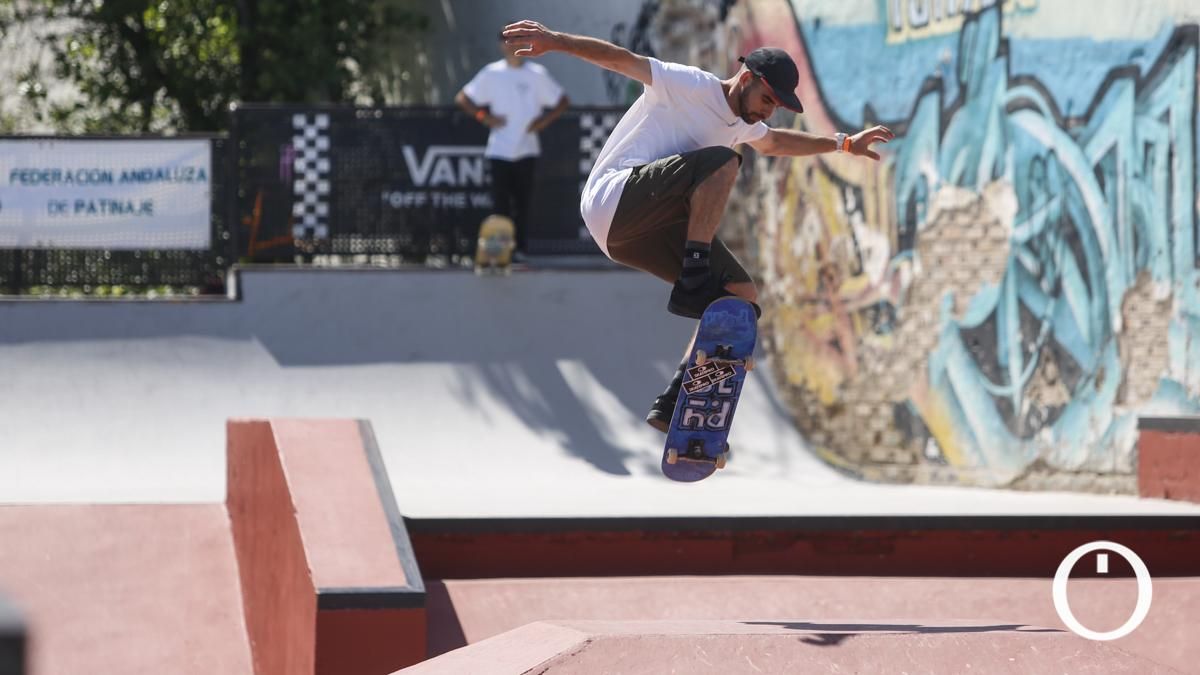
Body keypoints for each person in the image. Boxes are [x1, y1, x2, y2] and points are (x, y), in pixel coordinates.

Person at [501, 19, 893, 431]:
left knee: (740, 296)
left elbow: (776, 142)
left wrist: (843, 143)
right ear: (746, 78)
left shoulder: (745, 124)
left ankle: (675, 400)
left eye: (775, 106)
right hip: (613, 197)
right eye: (766, 98)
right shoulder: (688, 84)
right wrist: (557, 40)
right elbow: (621, 60)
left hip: (632, 236)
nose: (767, 110)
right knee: (723, 162)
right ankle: (693, 273)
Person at [455, 30, 570, 259]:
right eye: (509, 41)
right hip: (499, 150)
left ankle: (520, 249)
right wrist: (483, 117)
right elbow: (463, 98)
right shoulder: (492, 73)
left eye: (518, 40)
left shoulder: (536, 74)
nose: (513, 46)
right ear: (501, 45)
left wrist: (543, 121)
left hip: (527, 150)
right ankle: (499, 251)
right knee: (500, 204)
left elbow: (562, 100)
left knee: (522, 203)